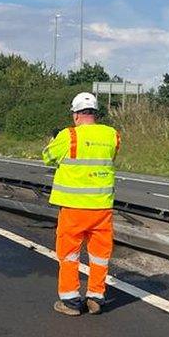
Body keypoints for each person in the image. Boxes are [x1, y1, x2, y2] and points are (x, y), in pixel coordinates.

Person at [42, 92, 120, 316]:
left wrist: (53, 140)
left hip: (74, 208)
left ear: (76, 115)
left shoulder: (69, 135)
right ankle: (96, 296)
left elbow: (47, 157)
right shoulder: (111, 134)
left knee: (69, 254)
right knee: (99, 255)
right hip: (102, 208)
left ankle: (71, 301)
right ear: (95, 113)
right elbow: (111, 156)